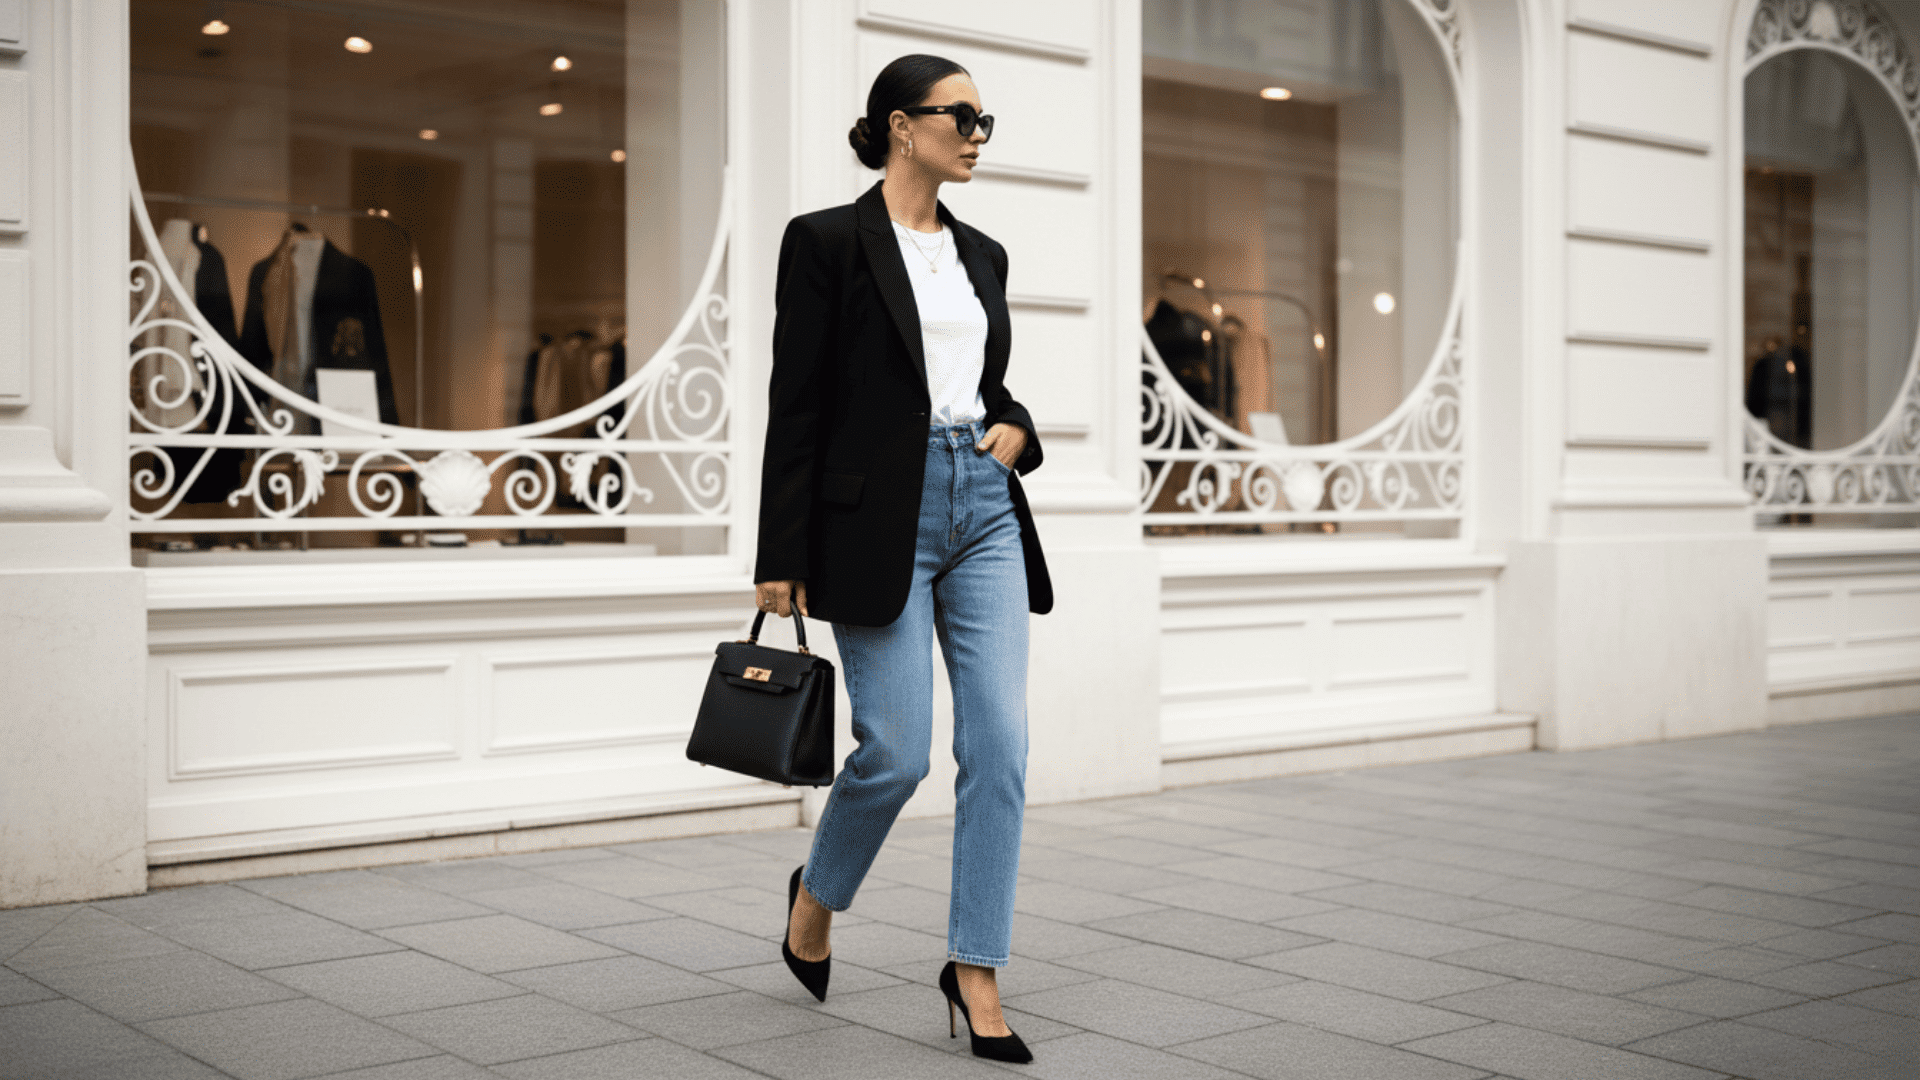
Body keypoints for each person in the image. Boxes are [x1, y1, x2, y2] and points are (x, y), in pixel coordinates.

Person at [753, 53, 1053, 1064]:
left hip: (983, 510)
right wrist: (779, 552)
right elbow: (797, 403)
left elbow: (989, 385)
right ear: (899, 126)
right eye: (960, 116)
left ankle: (975, 971)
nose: (977, 134)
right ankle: (817, 894)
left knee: (1002, 748)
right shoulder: (826, 243)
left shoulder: (987, 256)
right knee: (897, 750)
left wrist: (1014, 430)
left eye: (983, 119)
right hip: (877, 519)